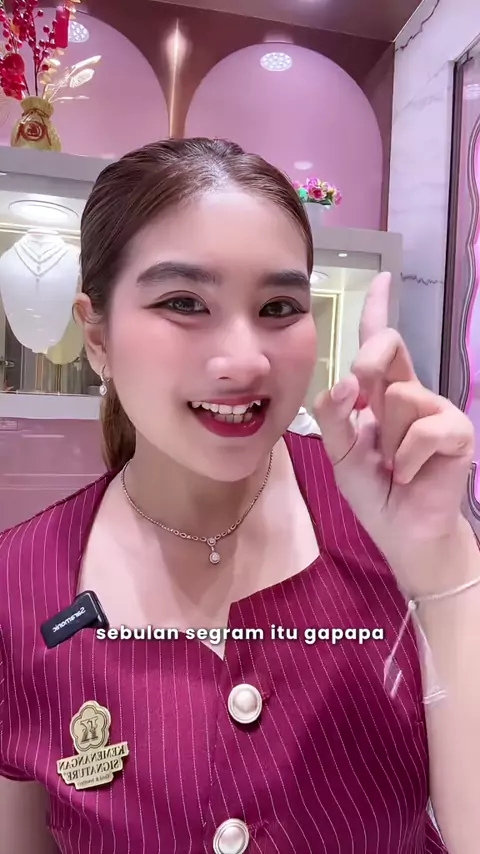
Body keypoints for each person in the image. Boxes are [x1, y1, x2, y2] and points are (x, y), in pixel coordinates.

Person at [0, 138, 478, 854]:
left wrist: (444, 565)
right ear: (96, 335)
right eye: (184, 302)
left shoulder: (388, 520)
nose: (246, 361)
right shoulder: (18, 583)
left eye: (279, 306)